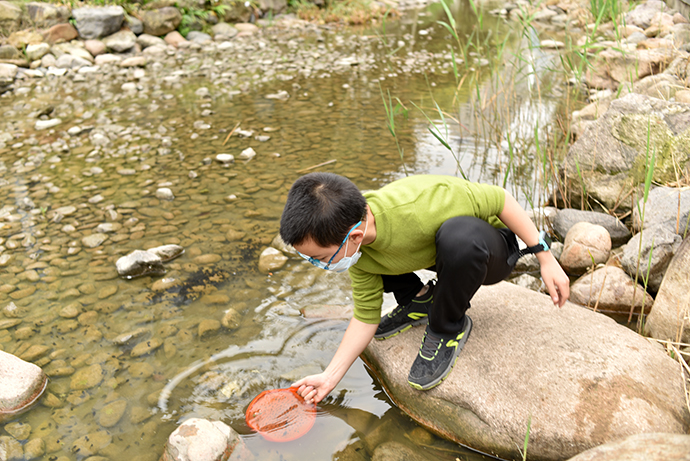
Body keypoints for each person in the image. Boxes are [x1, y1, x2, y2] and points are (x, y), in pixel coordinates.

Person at [279, 173, 569, 404]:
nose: (317, 265)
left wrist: (545, 257)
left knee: (459, 239)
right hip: (435, 255)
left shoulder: (425, 206)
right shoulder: (353, 240)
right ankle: (420, 300)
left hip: (487, 250)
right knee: (376, 258)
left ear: (354, 235)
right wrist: (330, 377)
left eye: (318, 258)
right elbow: (365, 315)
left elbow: (501, 198)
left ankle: (447, 326)